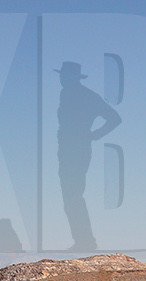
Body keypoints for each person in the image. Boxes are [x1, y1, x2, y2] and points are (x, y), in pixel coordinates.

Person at [54, 62, 120, 252]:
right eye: (62, 76)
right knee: (70, 196)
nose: (62, 79)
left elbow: (114, 118)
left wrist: (94, 135)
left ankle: (85, 241)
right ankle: (82, 240)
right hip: (66, 148)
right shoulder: (65, 94)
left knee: (73, 195)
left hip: (77, 148)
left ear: (72, 78)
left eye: (65, 76)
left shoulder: (86, 96)